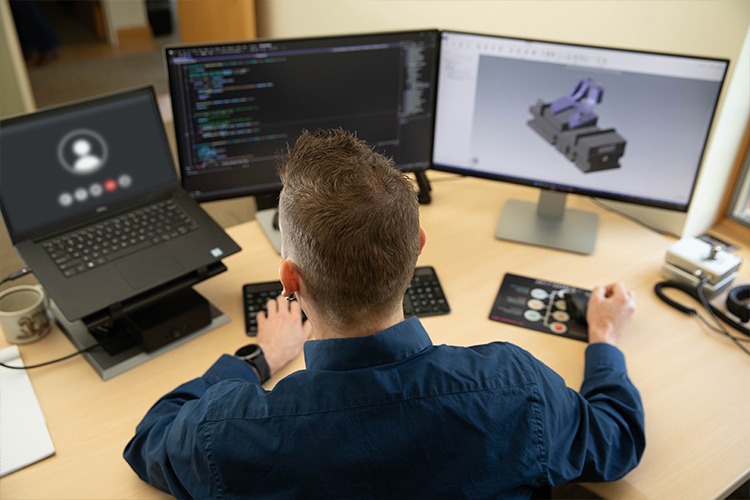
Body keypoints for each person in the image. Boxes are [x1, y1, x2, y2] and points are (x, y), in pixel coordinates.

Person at [124, 129, 645, 498]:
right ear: (417, 247)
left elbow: (150, 439)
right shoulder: (514, 387)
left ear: (289, 281)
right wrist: (603, 340)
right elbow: (617, 441)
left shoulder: (232, 431)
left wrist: (257, 359)